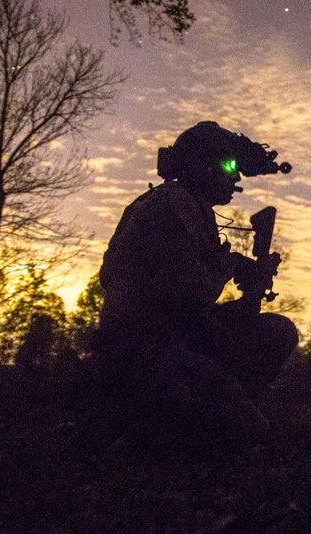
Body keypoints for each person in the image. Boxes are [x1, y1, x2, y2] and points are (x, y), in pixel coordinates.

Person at [94, 121, 298, 446]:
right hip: (140, 352)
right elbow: (188, 291)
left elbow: (191, 314)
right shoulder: (172, 204)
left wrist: (250, 295)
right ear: (202, 166)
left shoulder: (186, 207)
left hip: (168, 341)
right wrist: (233, 264)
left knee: (275, 331)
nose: (235, 177)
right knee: (241, 429)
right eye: (229, 166)